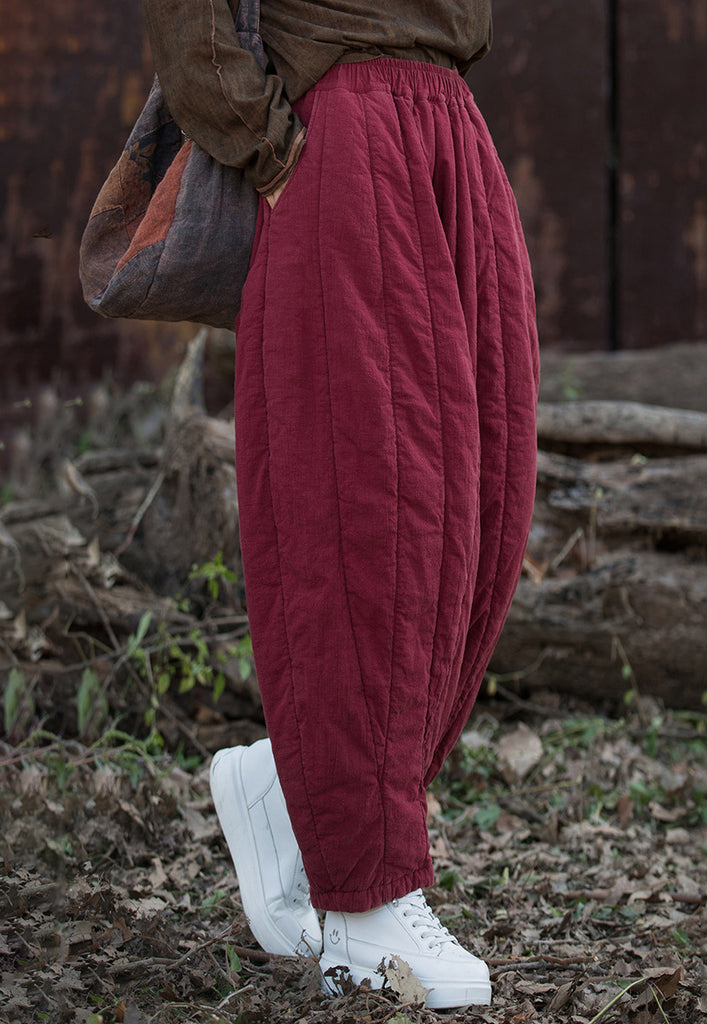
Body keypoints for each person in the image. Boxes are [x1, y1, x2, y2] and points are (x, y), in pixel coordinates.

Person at [142, 0, 539, 1009]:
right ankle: (365, 912)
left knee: (481, 514)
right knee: (368, 516)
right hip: (342, 131)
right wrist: (265, 144)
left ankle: (291, 790)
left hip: (448, 120)